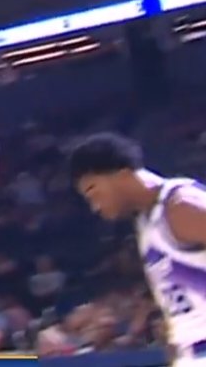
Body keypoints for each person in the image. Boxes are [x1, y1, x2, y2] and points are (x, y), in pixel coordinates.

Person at [70, 132, 206, 366]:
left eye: (94, 191)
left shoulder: (180, 206)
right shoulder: (146, 222)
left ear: (123, 175)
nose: (94, 206)